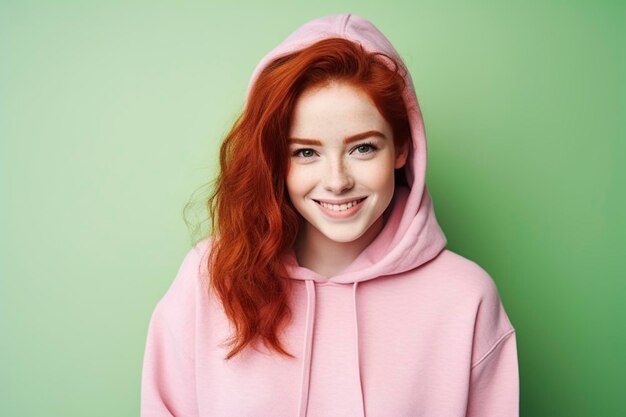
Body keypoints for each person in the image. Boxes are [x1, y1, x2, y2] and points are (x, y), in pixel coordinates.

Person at [140, 14, 519, 417]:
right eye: (306, 152)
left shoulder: (465, 298)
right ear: (276, 161)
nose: (336, 181)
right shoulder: (210, 278)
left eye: (363, 148)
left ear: (402, 148)